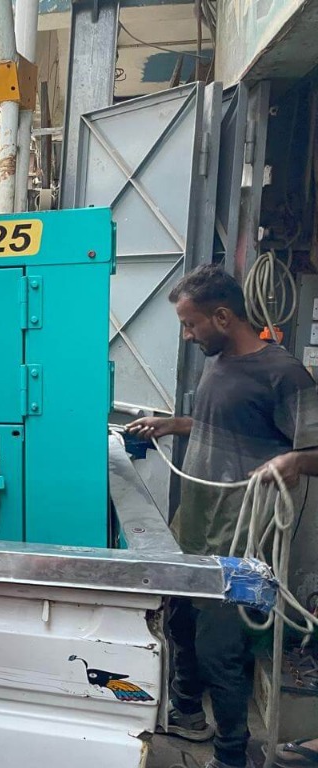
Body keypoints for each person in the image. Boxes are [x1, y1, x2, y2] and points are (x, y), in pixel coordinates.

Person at [127, 264, 318, 768]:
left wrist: (296, 460)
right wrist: (175, 424)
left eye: (191, 325)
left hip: (239, 540)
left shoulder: (284, 374)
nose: (187, 336)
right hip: (195, 525)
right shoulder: (220, 361)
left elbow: (315, 449)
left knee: (220, 650)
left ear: (223, 315)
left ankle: (233, 755)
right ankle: (188, 712)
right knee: (179, 625)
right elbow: (228, 421)